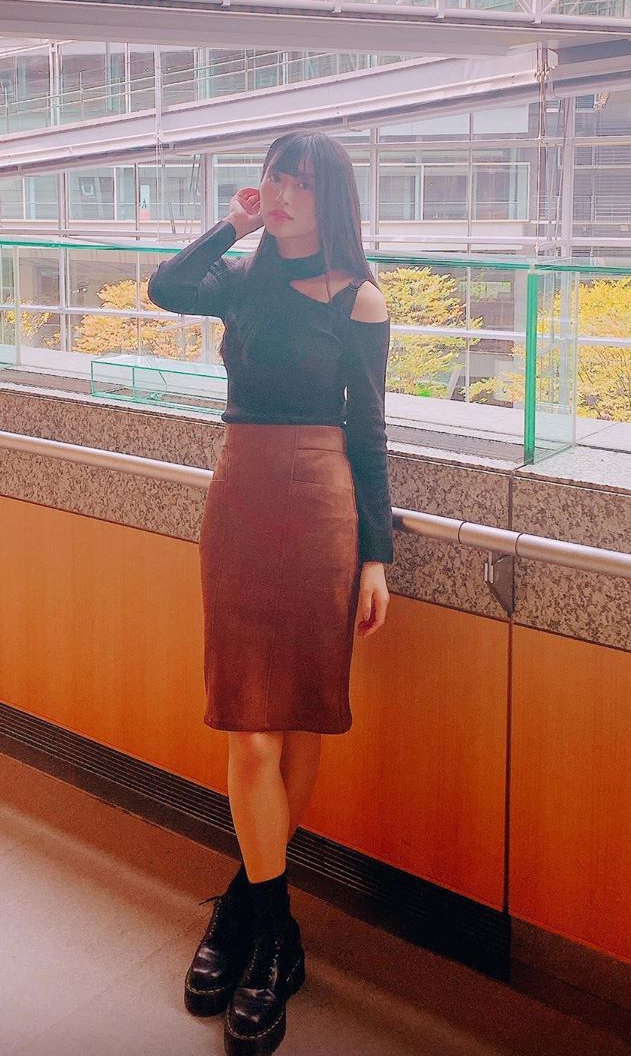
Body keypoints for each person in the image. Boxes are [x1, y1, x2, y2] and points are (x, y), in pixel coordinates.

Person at [146, 130, 393, 1056]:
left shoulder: (360, 298)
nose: (282, 193)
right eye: (273, 178)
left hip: (321, 509)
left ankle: (245, 911)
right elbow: (165, 286)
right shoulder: (241, 276)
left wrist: (376, 556)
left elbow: (370, 433)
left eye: (300, 183)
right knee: (249, 727)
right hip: (242, 500)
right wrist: (231, 225)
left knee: (296, 719)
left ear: (333, 200)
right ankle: (276, 924)